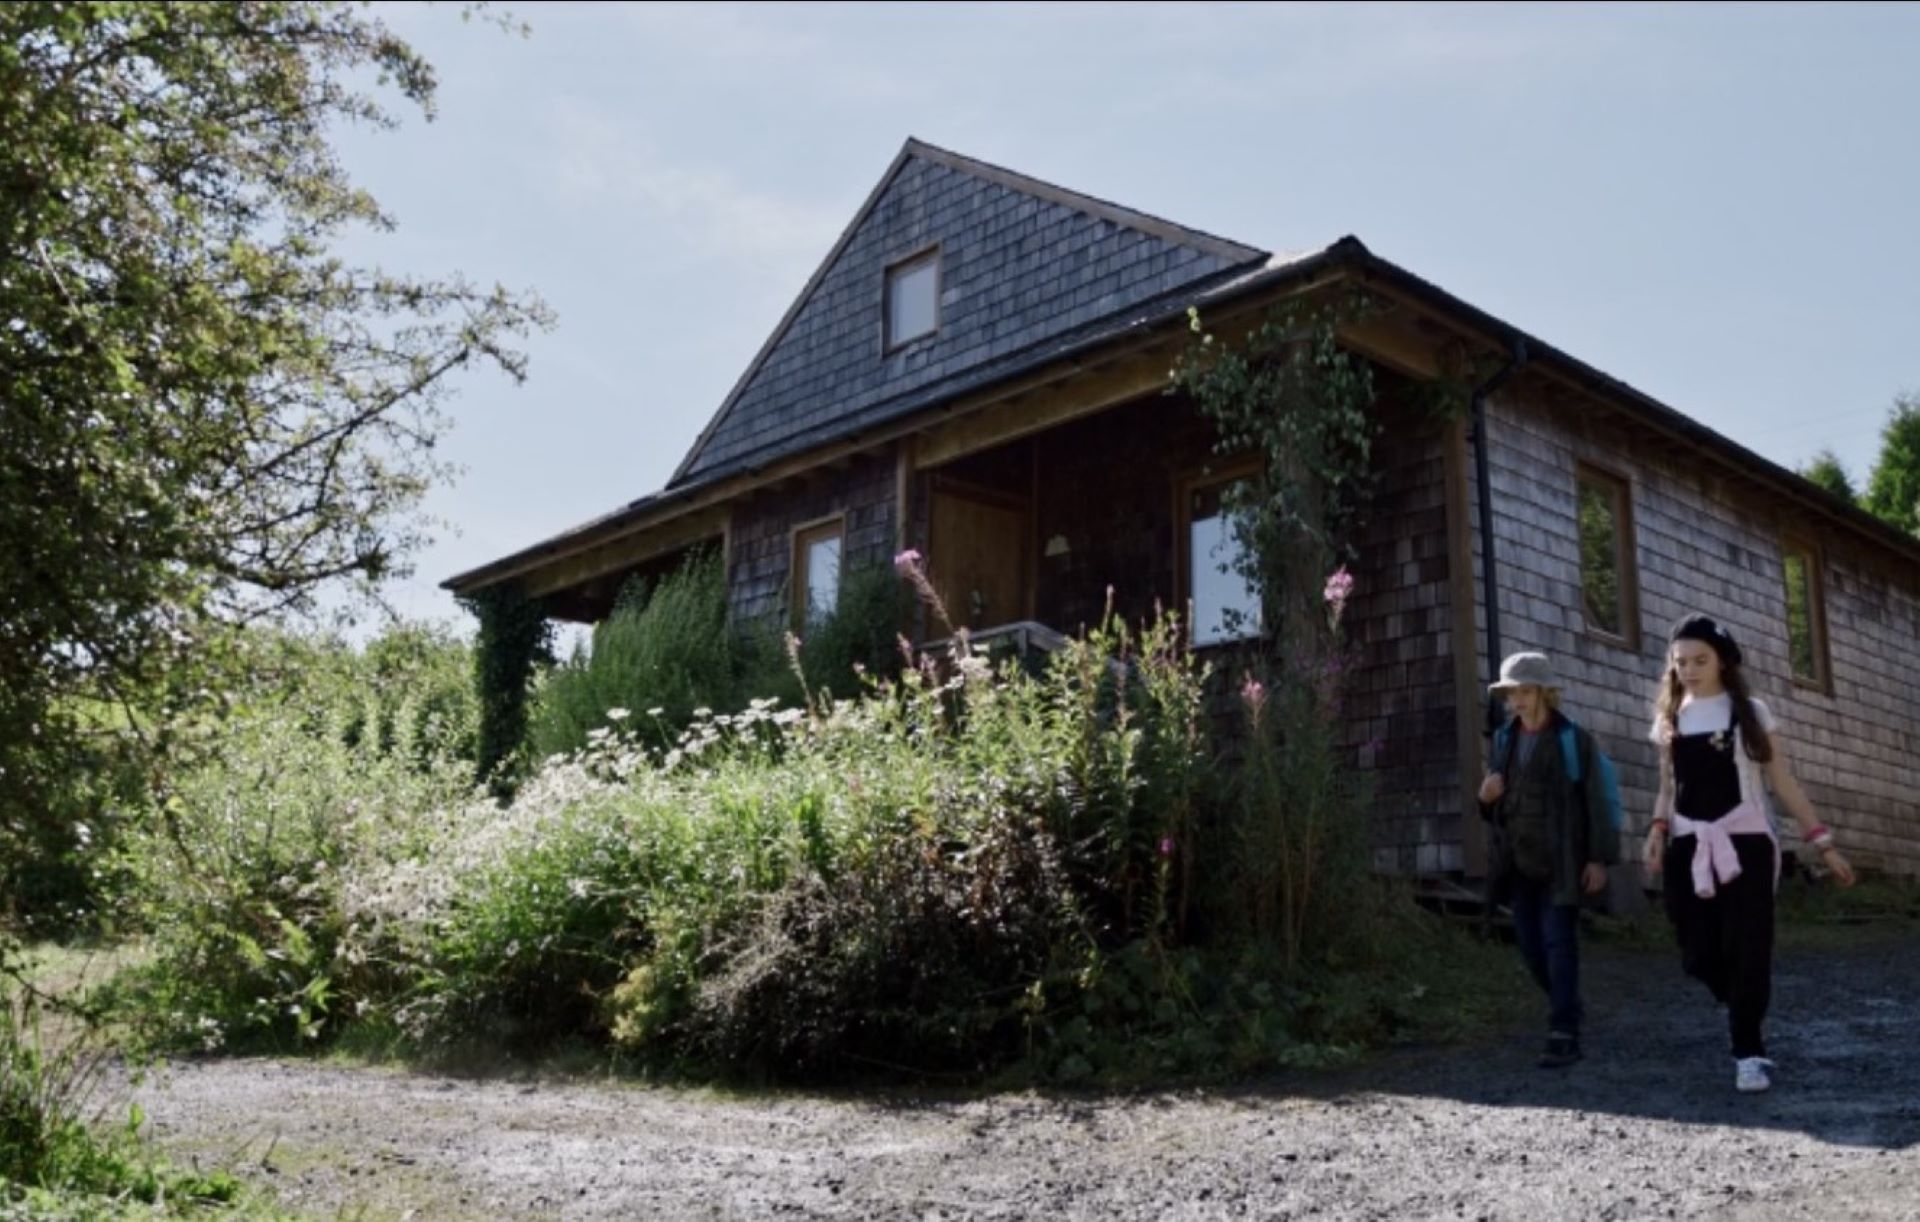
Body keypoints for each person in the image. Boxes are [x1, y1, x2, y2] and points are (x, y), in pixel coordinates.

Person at [1643, 614, 1857, 1094]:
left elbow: (1782, 782)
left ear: (1723, 661)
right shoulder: (1670, 719)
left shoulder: (1750, 714)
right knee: (1696, 951)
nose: (1689, 670)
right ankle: (1738, 997)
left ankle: (1749, 1052)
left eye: (1700, 660)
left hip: (1746, 844)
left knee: (1748, 948)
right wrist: (1657, 830)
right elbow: (1667, 788)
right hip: (1689, 844)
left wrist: (1822, 842)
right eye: (1681, 662)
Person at [1478, 651, 1619, 1069]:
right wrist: (1484, 799)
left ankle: (1563, 1032)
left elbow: (1598, 802)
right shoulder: (1504, 741)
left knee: (1559, 944)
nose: (1517, 701)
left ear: (1544, 693)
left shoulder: (1574, 741)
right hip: (1518, 863)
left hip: (1563, 861)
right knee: (1530, 947)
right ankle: (1567, 1003)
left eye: (1524, 691)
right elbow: (1495, 807)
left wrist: (1598, 859)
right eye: (1511, 693)